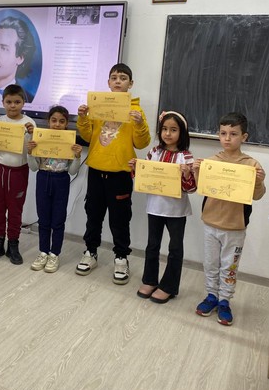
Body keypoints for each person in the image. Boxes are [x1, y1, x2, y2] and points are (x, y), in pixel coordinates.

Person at [75, 63, 150, 283]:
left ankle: (121, 257)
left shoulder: (136, 111)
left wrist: (139, 123)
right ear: (108, 82)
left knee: (120, 219)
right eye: (114, 77)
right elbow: (88, 136)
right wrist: (83, 118)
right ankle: (90, 252)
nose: (118, 81)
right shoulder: (98, 106)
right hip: (96, 171)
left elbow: (142, 142)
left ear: (130, 83)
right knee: (93, 215)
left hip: (120, 174)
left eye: (123, 78)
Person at [193, 112, 266, 325]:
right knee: (210, 263)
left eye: (233, 134)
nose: (227, 138)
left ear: (244, 137)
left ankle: (225, 300)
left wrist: (259, 181)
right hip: (211, 223)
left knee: (229, 266)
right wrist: (197, 171)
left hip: (235, 227)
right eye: (223, 133)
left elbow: (257, 195)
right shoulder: (211, 161)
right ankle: (211, 296)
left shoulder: (251, 165)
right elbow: (201, 188)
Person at [130, 111, 196, 303]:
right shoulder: (154, 152)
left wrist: (186, 175)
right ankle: (149, 281)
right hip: (155, 207)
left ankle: (169, 286)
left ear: (182, 133)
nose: (168, 133)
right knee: (152, 245)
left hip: (176, 211)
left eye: (173, 130)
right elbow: (144, 179)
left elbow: (191, 188)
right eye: (164, 129)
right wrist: (135, 168)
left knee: (175, 248)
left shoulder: (186, 156)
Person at [0, 84, 36, 265]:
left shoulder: (29, 123)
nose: (13, 106)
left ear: (23, 102)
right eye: (9, 102)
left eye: (17, 102)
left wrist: (32, 135)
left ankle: (13, 244)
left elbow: (32, 151)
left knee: (15, 209)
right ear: (3, 102)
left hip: (19, 172)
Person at [27, 106, 82, 273]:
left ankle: (54, 254)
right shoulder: (40, 140)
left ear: (67, 124)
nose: (57, 124)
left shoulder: (70, 143)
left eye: (62, 121)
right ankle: (43, 252)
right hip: (43, 178)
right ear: (48, 121)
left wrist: (77, 156)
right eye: (54, 120)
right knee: (43, 219)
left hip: (61, 180)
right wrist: (30, 152)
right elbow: (34, 167)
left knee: (58, 220)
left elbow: (72, 171)